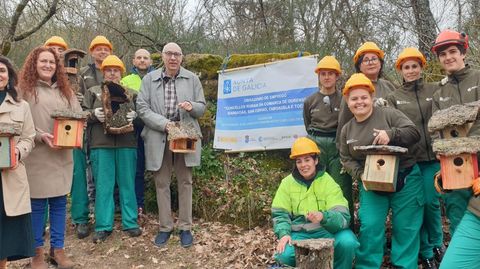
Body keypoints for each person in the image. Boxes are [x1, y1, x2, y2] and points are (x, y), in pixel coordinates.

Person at [339, 73, 423, 269]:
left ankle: (404, 265)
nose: (359, 102)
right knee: (370, 227)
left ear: (371, 97)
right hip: (371, 184)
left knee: (406, 228)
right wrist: (361, 174)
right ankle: (367, 266)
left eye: (363, 97)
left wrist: (391, 134)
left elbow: (414, 132)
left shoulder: (388, 113)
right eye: (354, 98)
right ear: (347, 101)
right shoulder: (347, 130)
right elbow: (346, 158)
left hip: (405, 178)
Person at [137, 42, 206, 248]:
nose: (173, 58)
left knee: (185, 182)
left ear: (182, 58)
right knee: (162, 183)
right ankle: (165, 227)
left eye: (177, 54)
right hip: (160, 135)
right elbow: (142, 107)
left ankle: (185, 227)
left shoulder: (192, 78)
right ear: (163, 56)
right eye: (169, 54)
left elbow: (202, 108)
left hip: (185, 136)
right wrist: (164, 124)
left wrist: (191, 106)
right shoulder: (149, 79)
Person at [19, 46, 81, 269]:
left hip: (62, 157)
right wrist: (38, 136)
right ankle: (37, 253)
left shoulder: (66, 91)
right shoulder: (24, 90)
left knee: (59, 203)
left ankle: (58, 250)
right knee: (36, 206)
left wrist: (73, 136)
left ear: (58, 67)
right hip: (37, 157)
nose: (47, 65)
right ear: (34, 64)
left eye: (52, 62)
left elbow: (77, 116)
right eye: (43, 61)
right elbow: (18, 122)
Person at [386, 48, 443, 268]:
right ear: (400, 70)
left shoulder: (435, 89)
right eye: (406, 67)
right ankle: (427, 250)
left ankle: (438, 244)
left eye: (414, 66)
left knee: (431, 202)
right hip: (410, 162)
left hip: (434, 158)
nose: (411, 71)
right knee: (416, 206)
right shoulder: (394, 97)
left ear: (421, 67)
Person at [429, 30, 480, 269]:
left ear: (463, 52)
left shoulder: (478, 79)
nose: (448, 57)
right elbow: (438, 133)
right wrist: (441, 162)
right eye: (443, 54)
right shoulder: (440, 93)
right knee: (460, 221)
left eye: (452, 52)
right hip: (457, 171)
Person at [272, 137, 359, 268]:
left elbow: (343, 217)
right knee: (282, 255)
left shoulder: (328, 182)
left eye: (307, 160)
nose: (303, 165)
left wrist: (323, 217)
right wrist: (284, 234)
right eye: (299, 161)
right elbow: (280, 214)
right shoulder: (287, 183)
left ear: (316, 160)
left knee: (348, 242)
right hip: (299, 234)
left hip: (328, 231)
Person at [82, 55, 141, 243]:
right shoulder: (92, 92)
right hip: (101, 144)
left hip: (127, 144)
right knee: (103, 186)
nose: (112, 73)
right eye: (109, 70)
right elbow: (81, 115)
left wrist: (135, 116)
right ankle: (103, 226)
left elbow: (144, 116)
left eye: (116, 70)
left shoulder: (132, 93)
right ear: (103, 72)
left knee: (127, 184)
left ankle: (130, 222)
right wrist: (92, 115)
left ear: (121, 72)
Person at [303, 55, 353, 227]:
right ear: (318, 76)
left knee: (342, 188)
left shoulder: (344, 99)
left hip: (338, 144)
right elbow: (307, 124)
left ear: (337, 76)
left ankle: (346, 227)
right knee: (315, 185)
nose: (326, 77)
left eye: (330, 73)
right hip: (316, 144)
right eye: (323, 73)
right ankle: (316, 227)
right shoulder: (310, 100)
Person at [0, 56, 36, 269]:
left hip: (10, 178)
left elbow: (29, 138)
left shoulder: (21, 106)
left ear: (10, 76)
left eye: (3, 71)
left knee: (4, 231)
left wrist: (17, 153)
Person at [336, 41, 396, 145]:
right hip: (361, 144)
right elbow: (343, 121)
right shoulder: (352, 87)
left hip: (390, 143)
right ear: (359, 66)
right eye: (366, 60)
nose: (371, 62)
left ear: (380, 63)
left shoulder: (389, 86)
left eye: (374, 59)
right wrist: (340, 146)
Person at [79, 35, 113, 209]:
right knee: (91, 162)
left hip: (114, 127)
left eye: (105, 49)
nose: (102, 51)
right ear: (92, 52)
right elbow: (80, 100)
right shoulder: (84, 73)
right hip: (92, 125)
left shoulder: (116, 69)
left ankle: (113, 202)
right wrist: (91, 114)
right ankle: (93, 199)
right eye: (98, 49)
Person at [121, 49, 155, 218]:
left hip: (154, 128)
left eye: (145, 58)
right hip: (134, 129)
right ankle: (138, 205)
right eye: (139, 58)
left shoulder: (157, 77)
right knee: (137, 168)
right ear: (133, 61)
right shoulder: (125, 80)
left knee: (158, 167)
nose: (142, 60)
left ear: (151, 61)